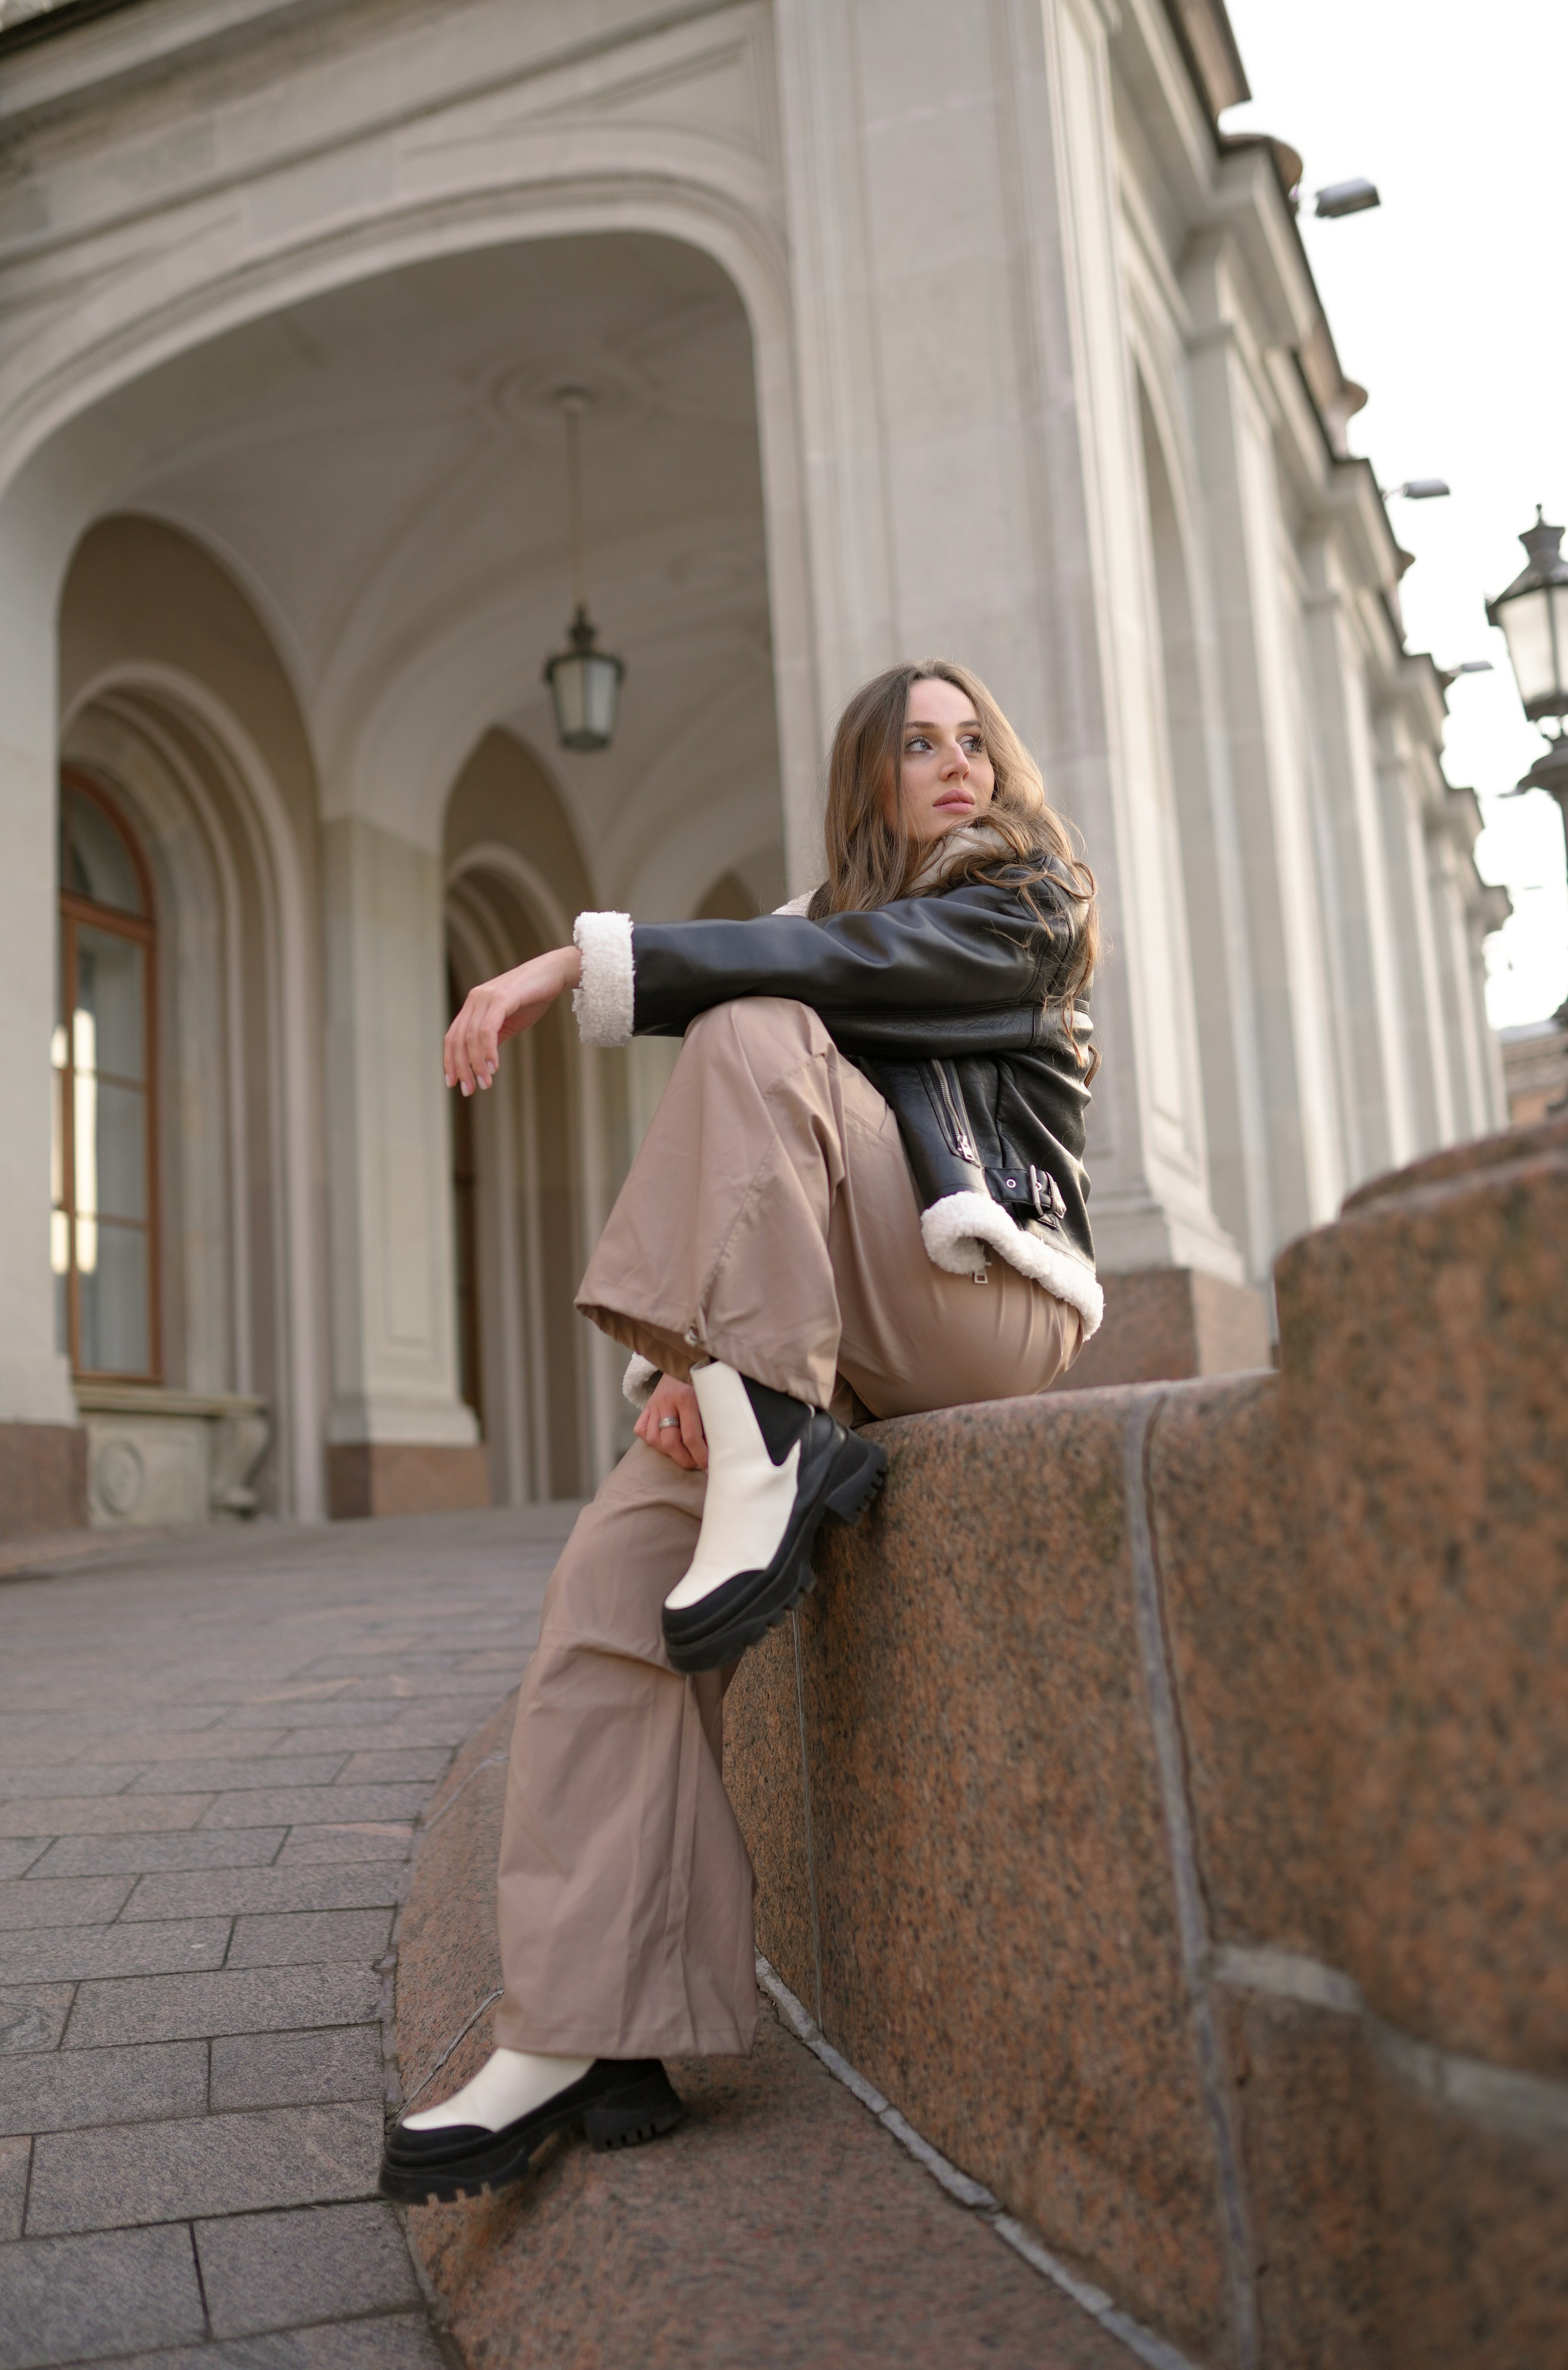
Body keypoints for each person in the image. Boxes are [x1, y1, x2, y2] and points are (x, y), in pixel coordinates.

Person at [380, 659, 1103, 2203]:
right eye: (918, 747)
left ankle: (761, 1433)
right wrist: (709, 1351)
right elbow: (776, 1149)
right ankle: (580, 2031)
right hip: (821, 1336)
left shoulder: (1025, 905)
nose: (956, 767)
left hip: (982, 1310)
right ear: (870, 778)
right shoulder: (819, 917)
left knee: (747, 1019)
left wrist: (553, 970)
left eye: (975, 741)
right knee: (608, 1593)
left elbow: (821, 994)